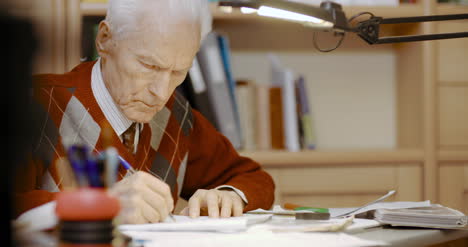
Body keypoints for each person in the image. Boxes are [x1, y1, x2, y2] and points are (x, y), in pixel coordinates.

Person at [13, 0, 275, 224]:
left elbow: (254, 179)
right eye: (149, 65)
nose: (161, 93)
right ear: (105, 40)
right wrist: (99, 207)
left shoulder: (177, 115)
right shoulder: (32, 104)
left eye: (178, 72)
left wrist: (228, 195)